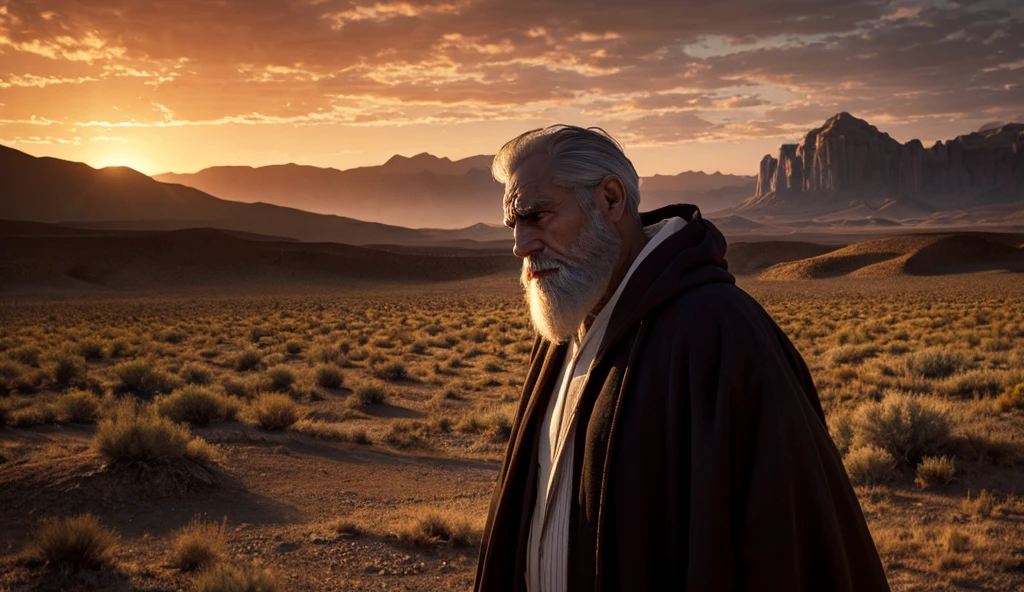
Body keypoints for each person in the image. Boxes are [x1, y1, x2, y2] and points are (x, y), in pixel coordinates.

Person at [474, 125, 890, 592]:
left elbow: (788, 538)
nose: (520, 246)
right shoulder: (564, 326)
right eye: (515, 225)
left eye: (537, 216)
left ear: (611, 200)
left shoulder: (720, 330)